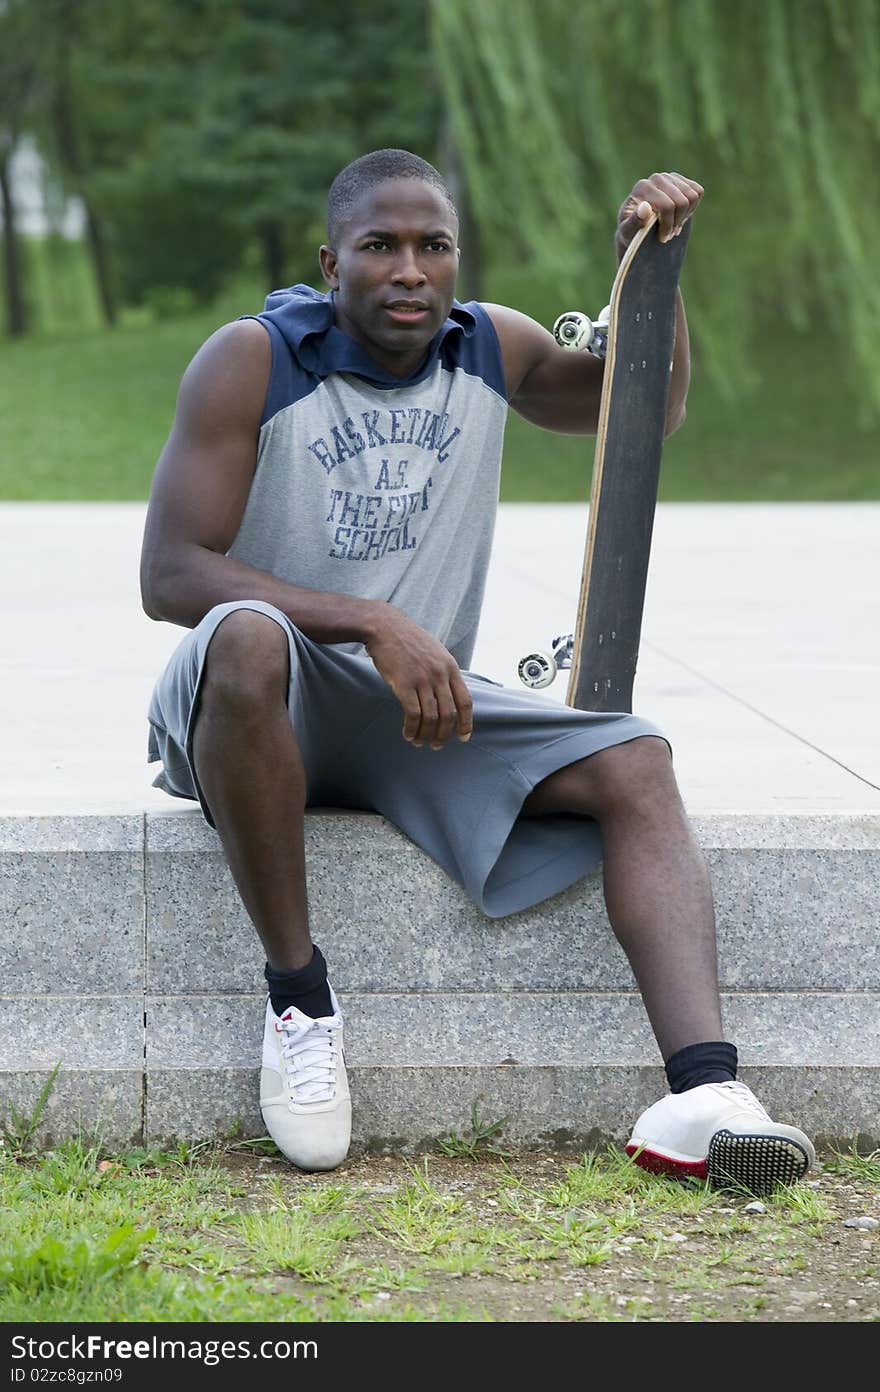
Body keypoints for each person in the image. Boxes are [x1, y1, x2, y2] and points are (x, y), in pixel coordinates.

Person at [141, 148, 814, 1191]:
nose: (409, 269)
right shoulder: (251, 359)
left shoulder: (489, 347)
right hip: (254, 701)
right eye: (380, 247)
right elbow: (172, 571)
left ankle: (702, 1096)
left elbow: (638, 410)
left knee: (636, 760)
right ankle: (299, 1003)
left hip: (412, 714)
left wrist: (653, 277)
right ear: (333, 261)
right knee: (243, 635)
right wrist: (371, 619)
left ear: (455, 260)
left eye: (432, 246)